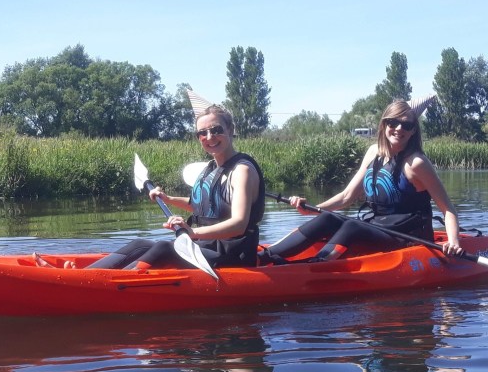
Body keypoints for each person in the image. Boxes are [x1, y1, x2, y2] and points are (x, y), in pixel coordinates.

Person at [36, 99, 265, 270]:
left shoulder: (242, 170)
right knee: (140, 244)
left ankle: (99, 284)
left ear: (230, 131)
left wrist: (191, 232)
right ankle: (86, 276)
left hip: (232, 257)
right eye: (202, 133)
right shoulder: (211, 168)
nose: (209, 137)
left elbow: (238, 224)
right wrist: (169, 199)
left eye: (216, 130)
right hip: (205, 247)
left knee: (165, 247)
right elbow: (206, 208)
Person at [259, 97, 464, 264]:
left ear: (413, 131)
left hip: (408, 236)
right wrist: (312, 208)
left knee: (352, 226)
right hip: (379, 227)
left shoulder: (417, 163)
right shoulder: (373, 152)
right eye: (393, 122)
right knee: (327, 218)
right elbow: (347, 196)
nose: (399, 129)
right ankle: (263, 256)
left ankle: (315, 266)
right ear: (384, 125)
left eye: (406, 125)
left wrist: (453, 242)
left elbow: (448, 210)